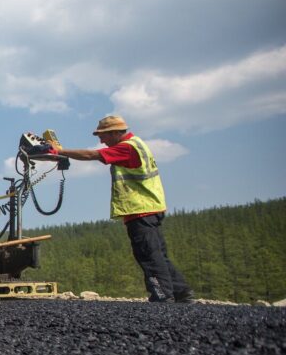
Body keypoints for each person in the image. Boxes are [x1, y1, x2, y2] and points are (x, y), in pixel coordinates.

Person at [53, 115, 195, 303]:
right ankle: (181, 293)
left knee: (148, 254)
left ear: (114, 133)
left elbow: (91, 155)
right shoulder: (137, 144)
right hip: (151, 207)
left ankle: (162, 296)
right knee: (159, 254)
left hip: (140, 209)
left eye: (102, 136)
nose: (101, 140)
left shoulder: (127, 148)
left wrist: (59, 152)